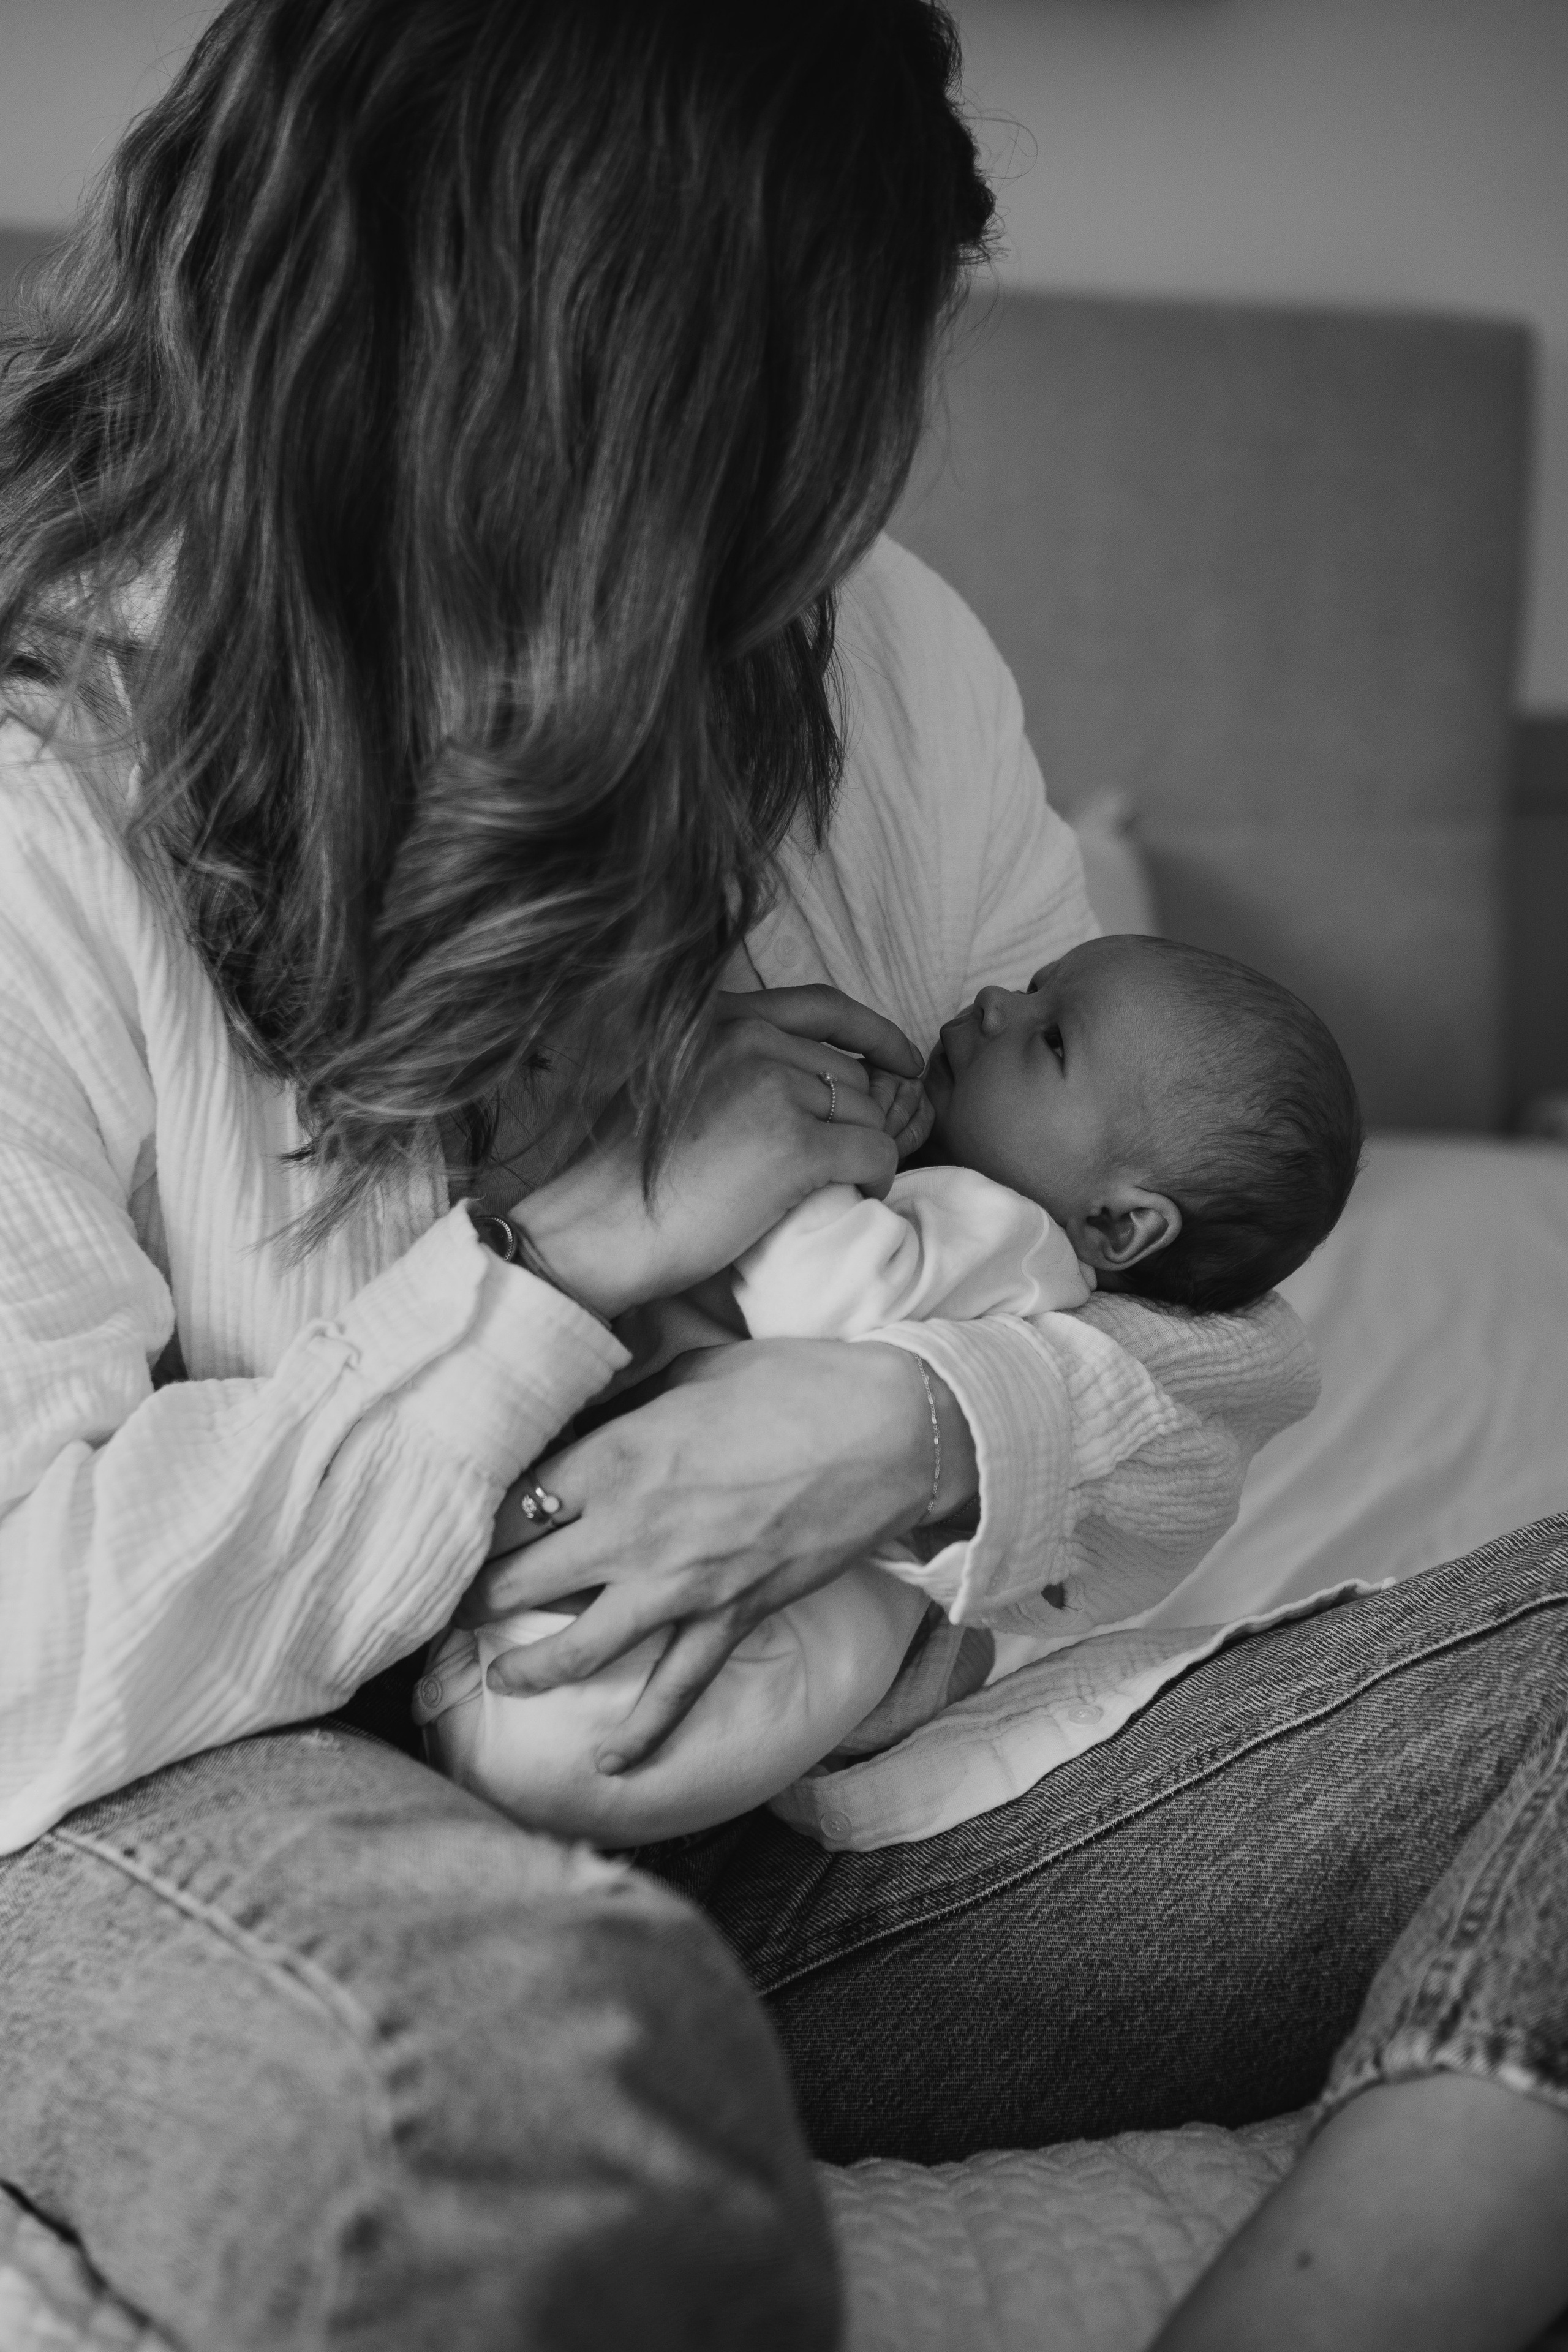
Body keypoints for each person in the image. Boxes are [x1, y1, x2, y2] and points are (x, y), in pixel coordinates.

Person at [0, 8, 1564, 2352]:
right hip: (235, 1825)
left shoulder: (882, 664)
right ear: (546, 408)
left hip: (828, 1829)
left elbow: (1190, 1317)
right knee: (528, 2092)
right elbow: (32, 1650)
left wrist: (908, 1430)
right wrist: (549, 1277)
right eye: (767, 466)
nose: (824, 553)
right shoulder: (42, 795)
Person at [419, 933, 1362, 1852]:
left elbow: (820, 1298)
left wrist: (800, 1151)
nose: (1001, 1002)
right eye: (1037, 983)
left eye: (1053, 1038)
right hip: (657, 1701)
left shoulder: (1011, 1237)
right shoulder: (975, 1227)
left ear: (1117, 1224)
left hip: (645, 1706)